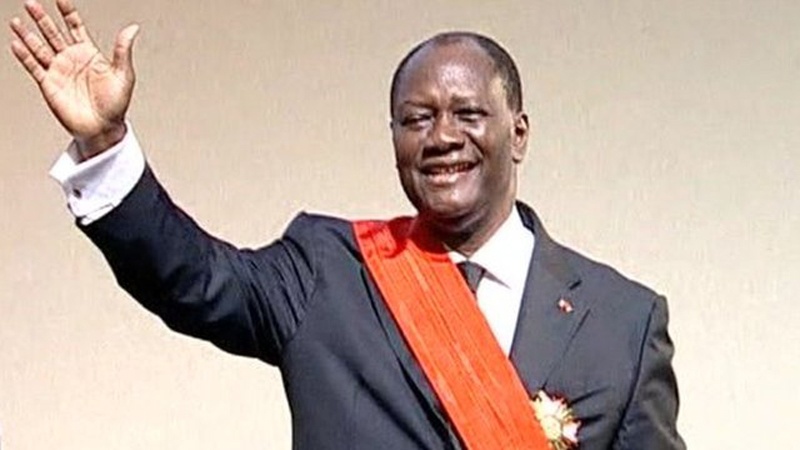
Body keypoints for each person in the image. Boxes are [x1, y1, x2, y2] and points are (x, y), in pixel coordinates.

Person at [9, 1, 686, 449]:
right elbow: (192, 277)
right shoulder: (328, 271)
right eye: (416, 119)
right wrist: (106, 142)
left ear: (519, 133)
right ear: (394, 140)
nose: (441, 136)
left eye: (468, 114)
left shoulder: (622, 323)